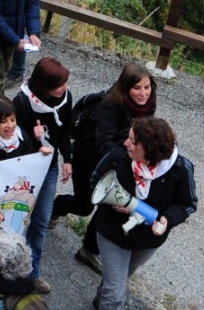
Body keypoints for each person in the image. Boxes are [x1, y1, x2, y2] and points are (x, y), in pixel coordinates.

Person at [56, 63, 158, 275]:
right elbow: (103, 143)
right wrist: (126, 154)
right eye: (137, 88)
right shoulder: (109, 105)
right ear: (126, 87)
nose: (143, 93)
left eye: (147, 87)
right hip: (90, 158)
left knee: (107, 206)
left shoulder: (148, 105)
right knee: (84, 206)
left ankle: (88, 250)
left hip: (121, 162)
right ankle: (54, 208)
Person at [91, 117, 196, 310]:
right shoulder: (118, 156)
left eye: (133, 141)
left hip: (148, 242)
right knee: (115, 293)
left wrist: (166, 219)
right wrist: (113, 200)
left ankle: (99, 302)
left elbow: (187, 204)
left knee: (117, 280)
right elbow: (95, 180)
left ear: (149, 149)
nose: (126, 143)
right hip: (111, 233)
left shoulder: (181, 169)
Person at [13, 57, 74, 294]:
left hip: (49, 169)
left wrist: (67, 158)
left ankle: (32, 272)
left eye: (66, 83)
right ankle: (4, 267)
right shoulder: (22, 102)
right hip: (24, 169)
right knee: (15, 219)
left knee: (40, 222)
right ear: (44, 84)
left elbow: (66, 129)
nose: (65, 88)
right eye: (60, 84)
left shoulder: (65, 99)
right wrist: (32, 136)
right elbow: (11, 139)